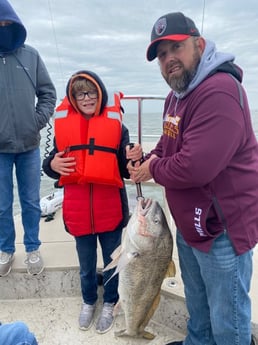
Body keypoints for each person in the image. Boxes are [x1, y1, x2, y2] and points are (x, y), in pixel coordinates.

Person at [128, 12, 258, 345]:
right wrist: (148, 156)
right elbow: (169, 144)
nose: (169, 59)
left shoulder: (218, 91)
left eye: (176, 48)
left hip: (220, 229)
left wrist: (151, 170)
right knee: (198, 306)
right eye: (161, 55)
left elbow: (195, 167)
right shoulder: (177, 95)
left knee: (228, 319)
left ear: (199, 44)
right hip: (192, 225)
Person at [42, 70, 142, 334]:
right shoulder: (64, 126)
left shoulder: (117, 126)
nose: (86, 98)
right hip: (78, 212)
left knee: (112, 263)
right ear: (73, 98)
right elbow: (50, 165)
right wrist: (51, 164)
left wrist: (133, 156)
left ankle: (110, 302)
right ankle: (89, 301)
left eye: (92, 93)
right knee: (86, 266)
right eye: (80, 93)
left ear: (101, 95)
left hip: (110, 210)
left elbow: (124, 167)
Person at [0, 0, 56, 276]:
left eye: (7, 23)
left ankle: (32, 247)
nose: (3, 28)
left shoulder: (31, 56)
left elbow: (48, 93)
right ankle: (6, 249)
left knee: (31, 201)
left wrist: (36, 122)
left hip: (29, 146)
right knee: (1, 204)